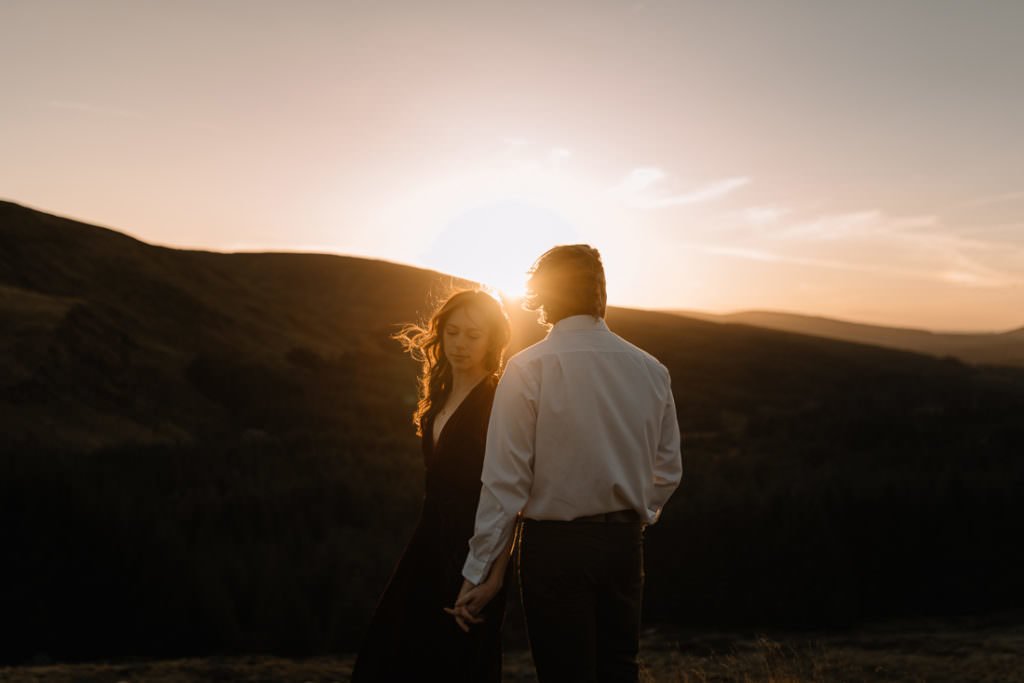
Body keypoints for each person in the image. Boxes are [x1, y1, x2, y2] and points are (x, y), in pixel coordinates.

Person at [451, 245, 683, 682]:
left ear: (543, 294)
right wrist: (633, 513)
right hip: (623, 547)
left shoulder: (527, 368)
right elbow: (668, 470)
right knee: (619, 670)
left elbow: (505, 483)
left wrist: (477, 570)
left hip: (554, 549)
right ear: (601, 293)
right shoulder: (651, 369)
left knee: (564, 674)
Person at [352, 289, 514, 682]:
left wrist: (494, 576)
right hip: (428, 543)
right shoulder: (439, 393)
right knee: (393, 652)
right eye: (453, 332)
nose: (460, 344)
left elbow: (511, 496)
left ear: (493, 339)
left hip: (477, 547)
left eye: (473, 335)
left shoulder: (499, 401)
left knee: (458, 662)